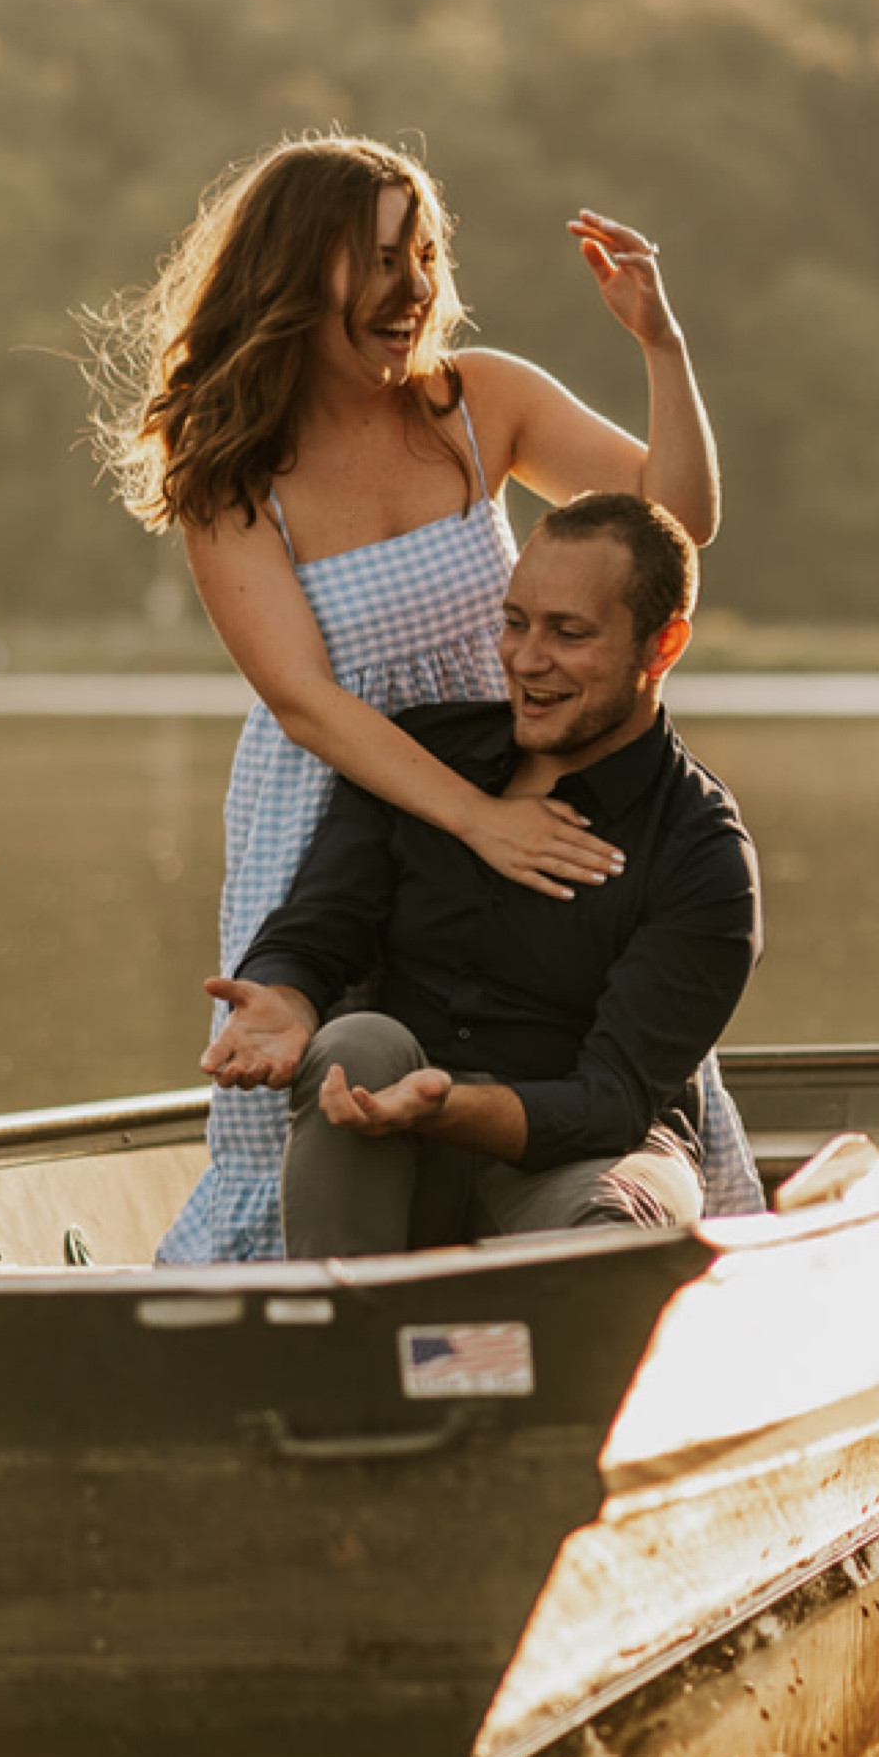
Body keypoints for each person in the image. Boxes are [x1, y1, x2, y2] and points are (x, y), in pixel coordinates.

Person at [89, 131, 742, 1262]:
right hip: (346, 794)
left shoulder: (476, 402)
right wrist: (475, 820)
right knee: (328, 1064)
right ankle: (309, 1309)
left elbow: (673, 520)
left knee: (569, 1040)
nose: (415, 290)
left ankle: (571, 1256)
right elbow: (305, 702)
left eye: (427, 256)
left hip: (519, 761)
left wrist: (661, 342)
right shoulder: (235, 464)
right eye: (383, 260)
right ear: (300, 269)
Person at [201, 495, 764, 1255]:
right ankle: (344, 1347)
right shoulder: (422, 758)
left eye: (569, 634)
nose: (527, 660)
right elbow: (319, 927)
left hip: (581, 1158)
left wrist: (447, 1106)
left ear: (661, 648)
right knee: (355, 1042)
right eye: (514, 622)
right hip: (395, 1148)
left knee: (610, 1222)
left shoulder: (703, 852)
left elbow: (611, 1103)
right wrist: (287, 997)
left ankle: (550, 1358)